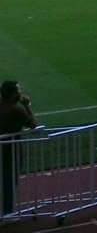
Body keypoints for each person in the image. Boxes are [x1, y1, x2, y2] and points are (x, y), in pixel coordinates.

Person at [1, 81, 37, 216]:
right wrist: (27, 106)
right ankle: (7, 213)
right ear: (11, 94)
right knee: (9, 181)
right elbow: (33, 125)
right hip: (11, 150)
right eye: (17, 91)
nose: (20, 93)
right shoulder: (16, 109)